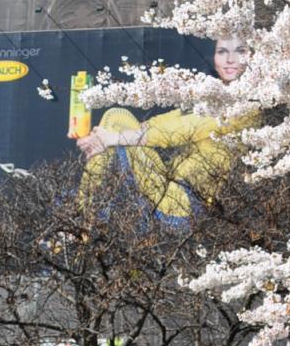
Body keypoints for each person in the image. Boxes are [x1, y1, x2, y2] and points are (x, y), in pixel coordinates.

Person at [75, 36, 253, 224]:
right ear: (214, 57)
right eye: (222, 51)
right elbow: (163, 122)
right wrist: (103, 137)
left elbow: (180, 130)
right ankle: (82, 217)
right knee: (116, 118)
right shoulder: (212, 97)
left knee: (115, 120)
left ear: (252, 57)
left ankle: (80, 219)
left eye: (240, 51)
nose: (230, 59)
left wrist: (113, 137)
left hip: (185, 203)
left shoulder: (245, 106)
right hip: (169, 185)